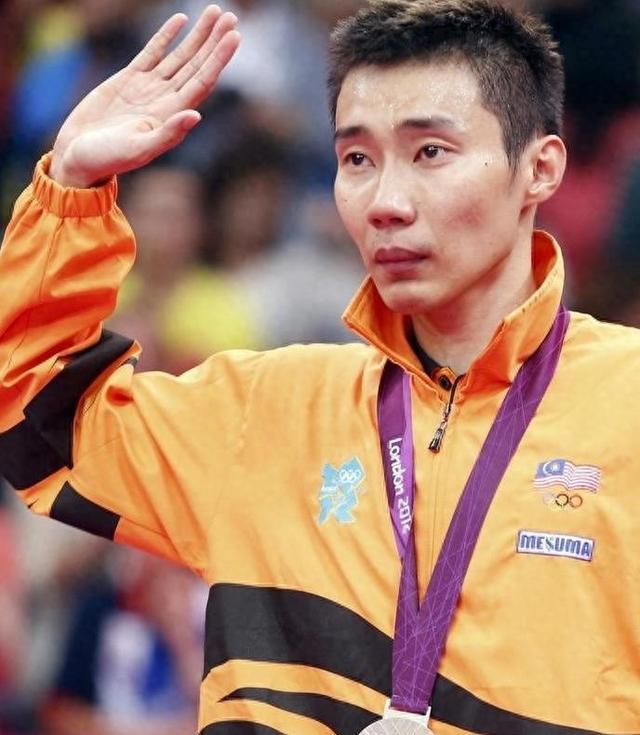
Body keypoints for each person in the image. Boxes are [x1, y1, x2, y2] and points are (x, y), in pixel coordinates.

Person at [1, 2, 639, 734]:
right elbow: (36, 415)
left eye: (431, 152)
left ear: (540, 168)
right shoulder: (263, 413)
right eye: (357, 160)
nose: (386, 202)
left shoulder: (627, 402)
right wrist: (71, 189)